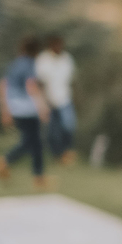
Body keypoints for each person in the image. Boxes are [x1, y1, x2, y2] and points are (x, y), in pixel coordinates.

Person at [0, 35, 50, 186]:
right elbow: (31, 85)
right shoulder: (30, 63)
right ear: (36, 51)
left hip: (15, 107)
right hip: (27, 109)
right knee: (30, 141)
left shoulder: (15, 64)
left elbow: (3, 85)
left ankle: (38, 177)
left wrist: (5, 109)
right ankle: (5, 160)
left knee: (35, 142)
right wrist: (42, 107)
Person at [35, 33, 77, 163]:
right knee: (52, 132)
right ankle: (57, 155)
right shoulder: (43, 59)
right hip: (49, 101)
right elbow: (40, 82)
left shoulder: (67, 59)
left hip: (64, 99)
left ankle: (66, 152)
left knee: (69, 126)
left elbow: (71, 80)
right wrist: (42, 101)